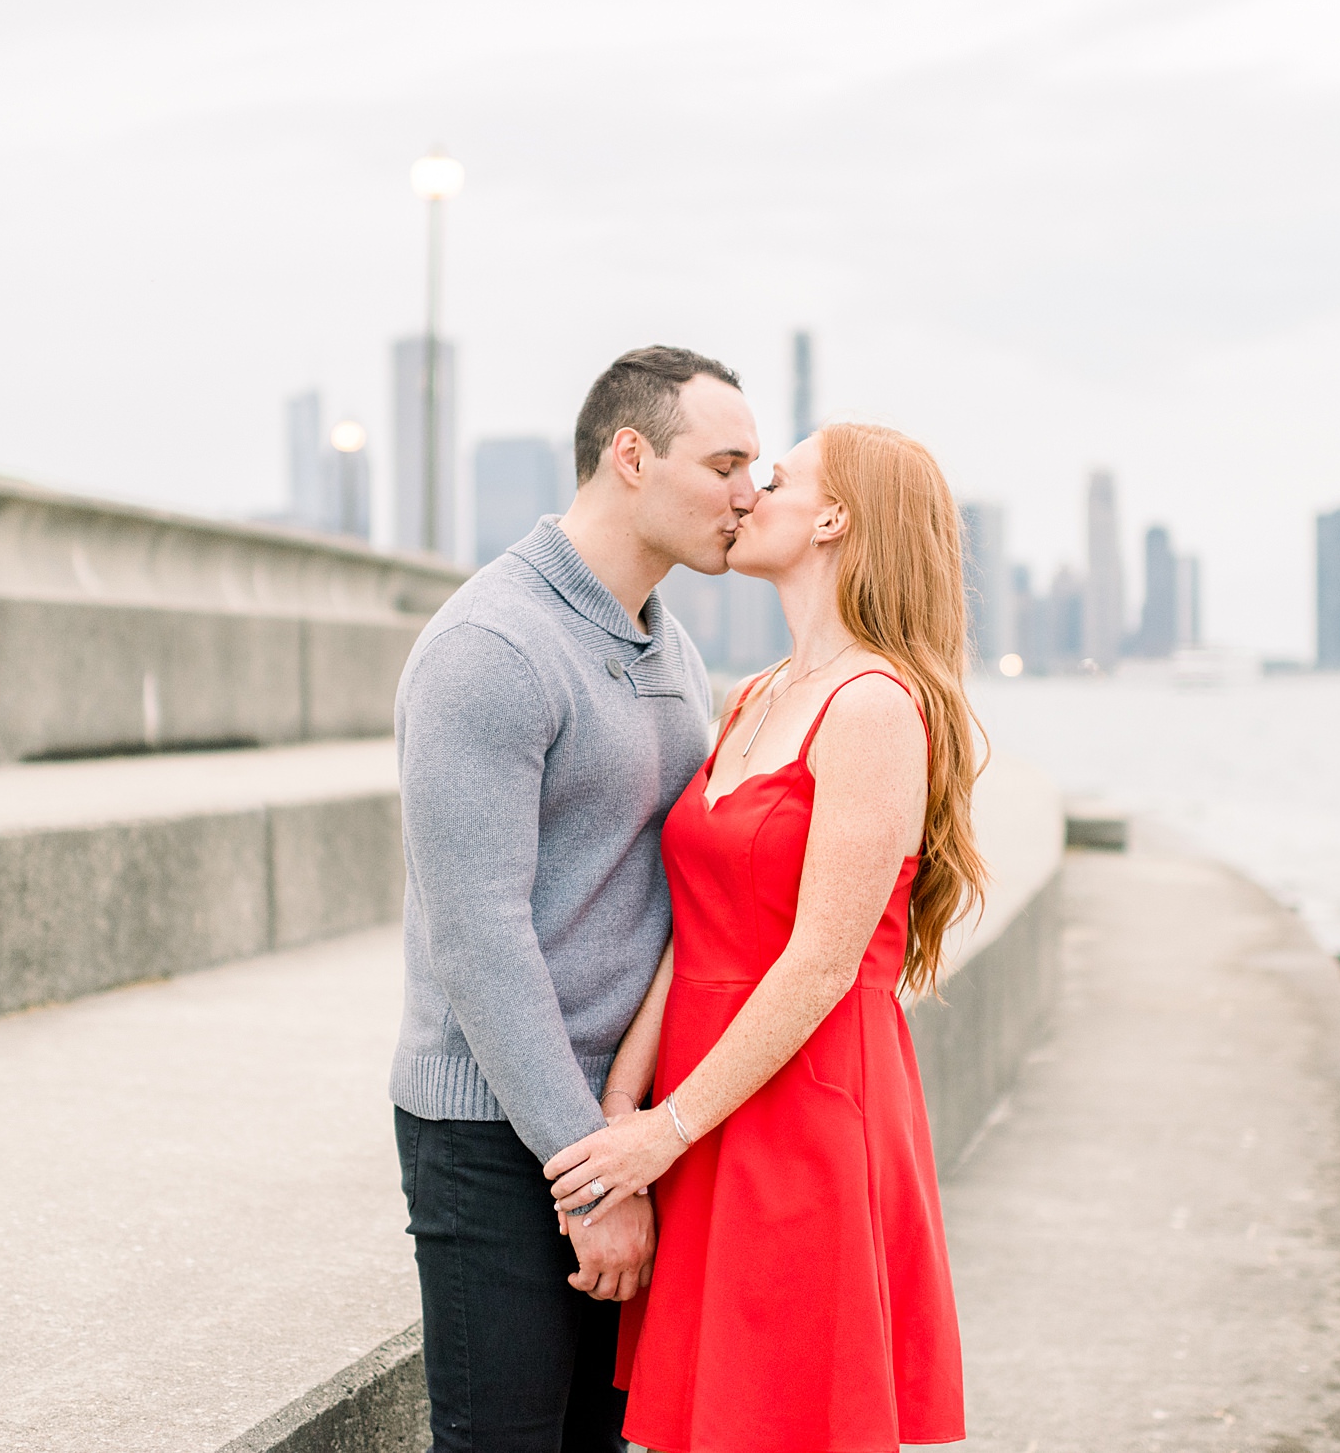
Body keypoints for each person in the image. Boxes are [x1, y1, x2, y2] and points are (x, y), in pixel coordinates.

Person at [546, 420, 985, 1452]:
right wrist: (625, 1099)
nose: (747, 493)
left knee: (778, 1422)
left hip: (802, 1115)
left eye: (775, 477)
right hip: (704, 1110)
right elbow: (691, 925)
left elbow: (825, 962)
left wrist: (665, 1129)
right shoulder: (752, 695)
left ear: (833, 519)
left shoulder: (876, 706)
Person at [390, 345, 761, 1453]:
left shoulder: (671, 645)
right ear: (631, 456)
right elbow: (478, 938)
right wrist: (593, 1177)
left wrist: (633, 1130)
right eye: (727, 462)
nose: (750, 493)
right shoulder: (491, 647)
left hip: (619, 1122)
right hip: (496, 1132)